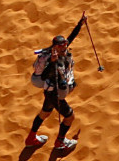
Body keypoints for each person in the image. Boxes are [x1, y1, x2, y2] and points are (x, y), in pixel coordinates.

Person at [27, 18, 87, 152]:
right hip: (54, 93)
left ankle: (31, 138)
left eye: (65, 45)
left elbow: (72, 37)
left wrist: (80, 24)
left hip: (49, 92)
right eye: (61, 46)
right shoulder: (52, 58)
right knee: (69, 117)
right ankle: (60, 142)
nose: (64, 48)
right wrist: (53, 62)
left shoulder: (62, 50)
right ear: (55, 47)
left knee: (44, 113)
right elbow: (44, 75)